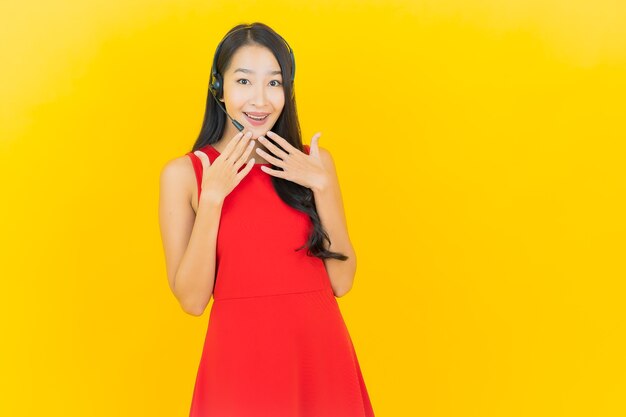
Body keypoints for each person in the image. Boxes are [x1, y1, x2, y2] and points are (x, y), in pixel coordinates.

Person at [158, 22, 375, 417]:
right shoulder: (184, 174)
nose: (260, 100)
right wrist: (212, 198)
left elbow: (342, 282)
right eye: (244, 81)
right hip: (239, 368)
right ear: (218, 87)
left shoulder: (314, 163)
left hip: (321, 362)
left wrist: (321, 186)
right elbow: (191, 301)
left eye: (274, 83)